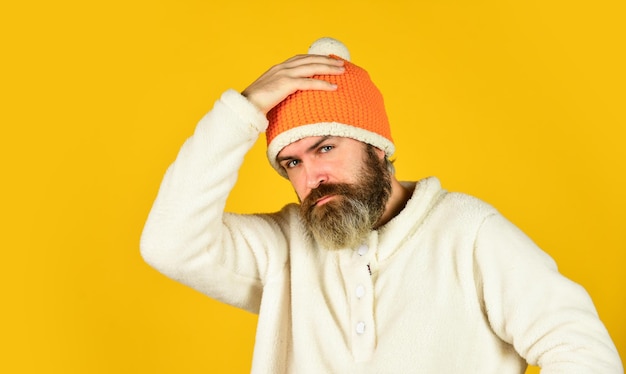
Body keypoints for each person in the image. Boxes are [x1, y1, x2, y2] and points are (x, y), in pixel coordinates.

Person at [140, 38, 623, 373]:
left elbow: (581, 348)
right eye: (291, 163)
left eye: (325, 148)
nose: (311, 178)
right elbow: (169, 244)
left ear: (377, 148)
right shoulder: (283, 248)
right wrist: (242, 109)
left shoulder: (468, 233)